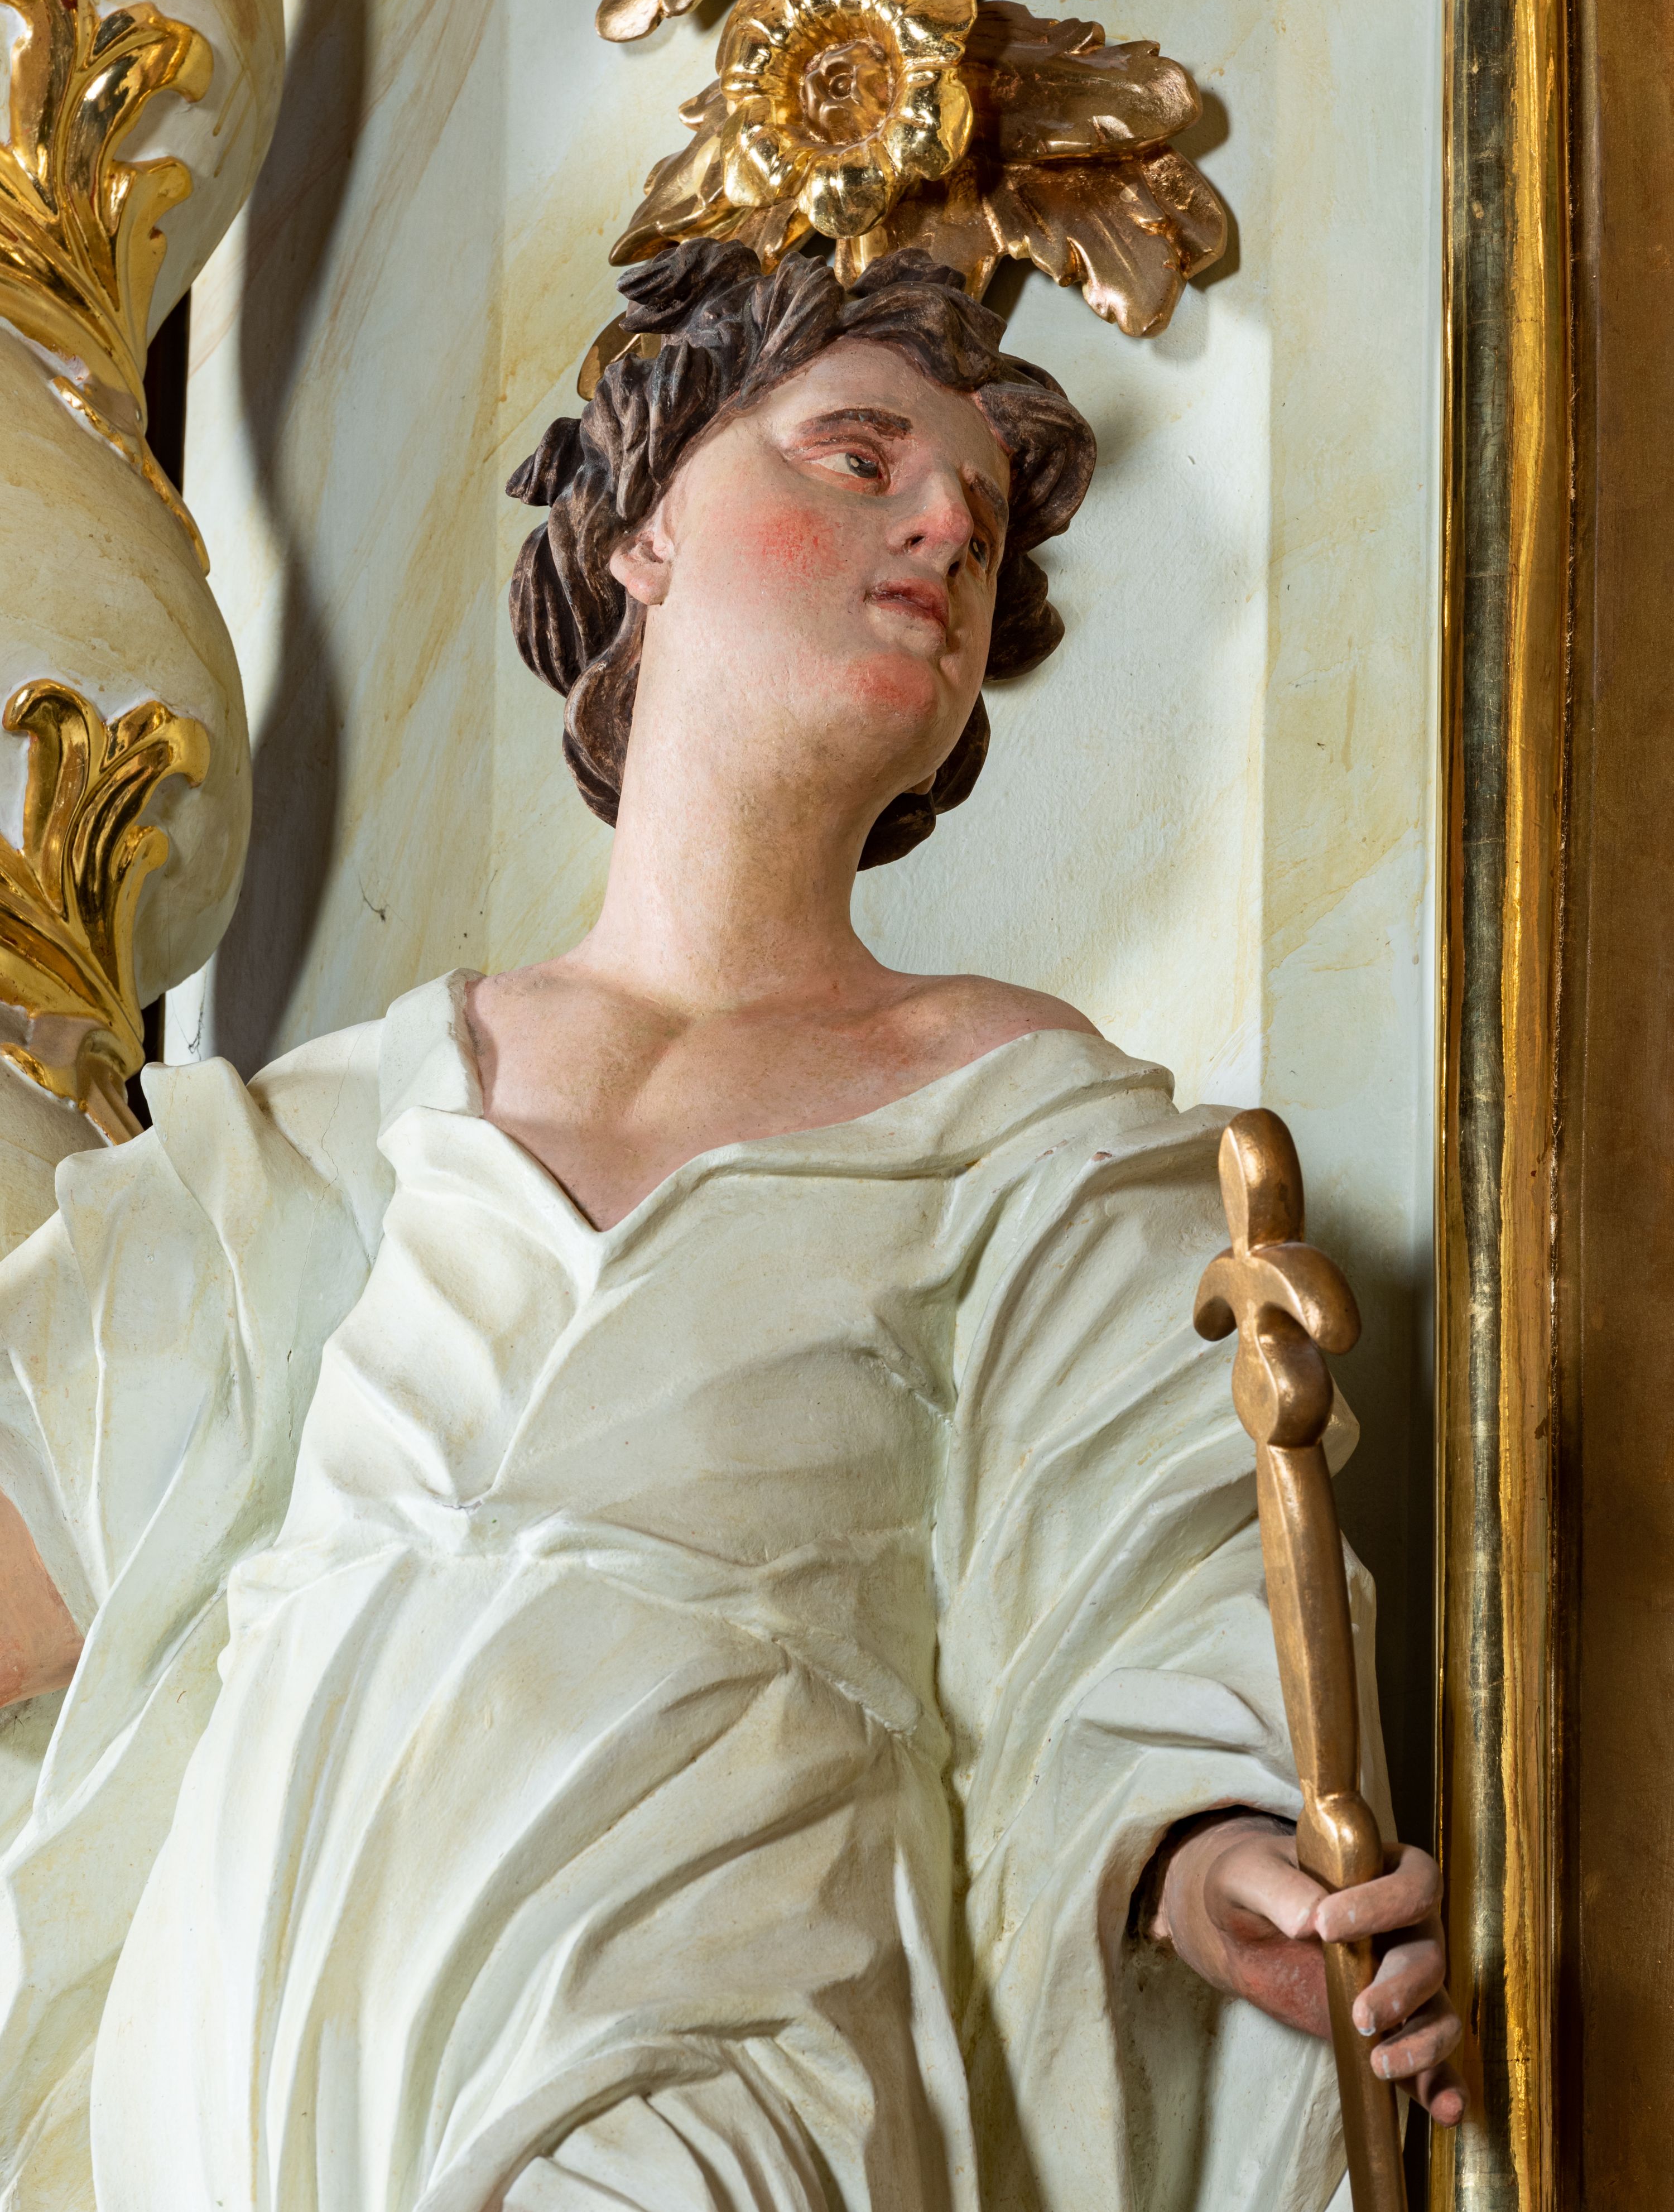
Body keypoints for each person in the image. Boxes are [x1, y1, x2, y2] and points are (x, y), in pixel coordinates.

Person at [0, 241, 1460, 2212]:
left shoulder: (1025, 1119)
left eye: (980, 525)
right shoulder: (327, 1141)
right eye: (859, 460)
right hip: (253, 2088)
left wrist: (1217, 1867)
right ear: (646, 531)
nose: (940, 528)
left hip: (715, 2035)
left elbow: (1143, 1582)